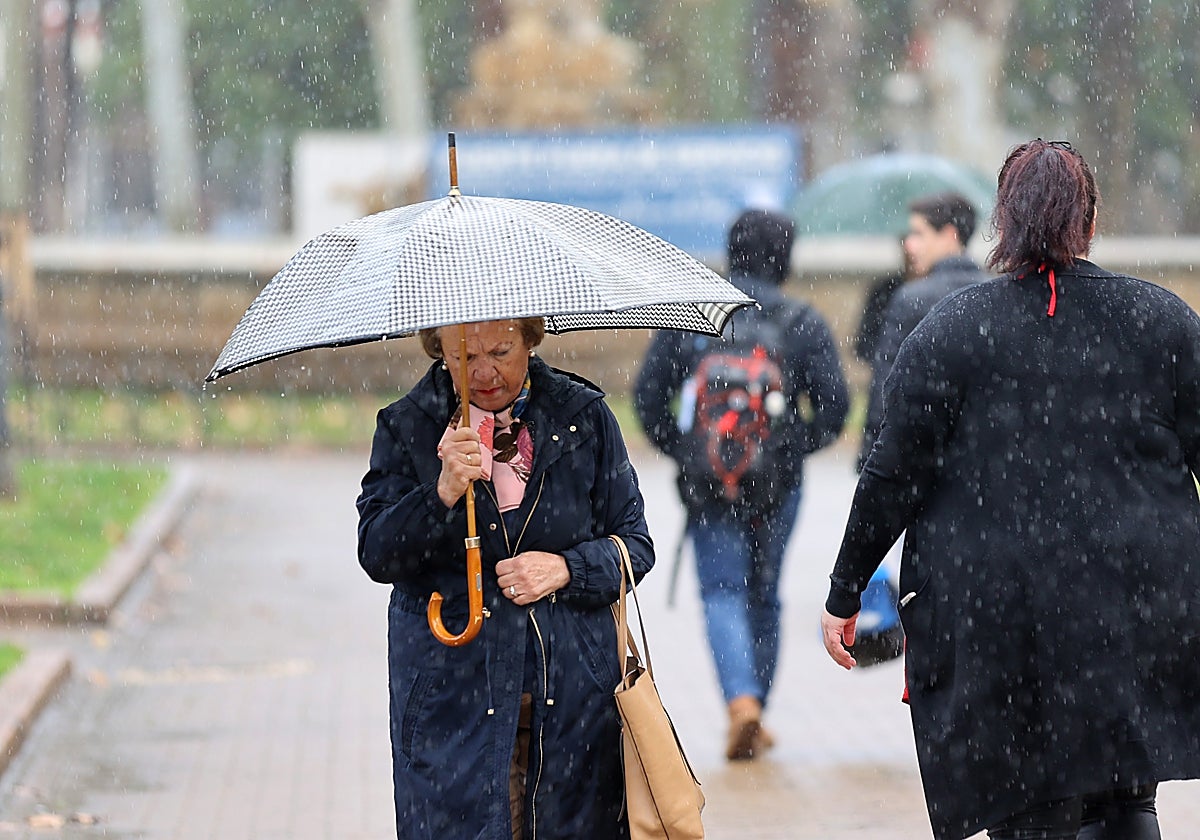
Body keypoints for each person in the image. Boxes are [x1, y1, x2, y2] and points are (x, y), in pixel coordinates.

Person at [820, 139, 1200, 839]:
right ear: (1088, 219)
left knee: (1026, 803)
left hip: (999, 606)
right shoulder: (1161, 321)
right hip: (1134, 598)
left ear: (1004, 219)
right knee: (1125, 796)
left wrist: (846, 591)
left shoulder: (952, 331)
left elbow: (891, 474)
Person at [357, 317, 654, 840]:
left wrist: (565, 569)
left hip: (571, 698)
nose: (484, 371)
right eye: (463, 357)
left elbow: (635, 544)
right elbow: (378, 553)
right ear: (438, 351)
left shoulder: (582, 417)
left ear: (531, 339)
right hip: (451, 693)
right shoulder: (408, 426)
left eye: (501, 350)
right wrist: (442, 493)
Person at [635, 209, 849, 761]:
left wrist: (689, 453)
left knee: (722, 591)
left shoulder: (694, 314)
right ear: (786, 255)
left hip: (708, 487)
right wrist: (787, 451)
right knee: (764, 595)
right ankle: (758, 707)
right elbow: (835, 408)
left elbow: (647, 399)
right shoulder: (800, 319)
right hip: (777, 488)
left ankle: (741, 703)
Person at [858, 192, 989, 469]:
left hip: (920, 456)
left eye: (919, 233)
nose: (909, 244)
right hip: (979, 459)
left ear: (949, 235)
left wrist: (872, 452)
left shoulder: (912, 298)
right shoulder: (993, 294)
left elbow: (887, 380)